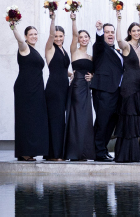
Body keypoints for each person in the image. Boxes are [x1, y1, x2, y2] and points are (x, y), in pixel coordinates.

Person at [9, 21, 47, 161]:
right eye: (31, 34)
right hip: (25, 89)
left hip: (36, 89)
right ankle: (24, 152)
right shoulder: (24, 47)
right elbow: (19, 40)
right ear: (25, 36)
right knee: (25, 119)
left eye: (35, 34)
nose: (34, 36)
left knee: (34, 119)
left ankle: (30, 150)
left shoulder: (35, 50)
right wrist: (14, 28)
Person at [112, 11, 140, 163]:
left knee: (135, 119)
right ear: (130, 32)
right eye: (134, 31)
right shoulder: (127, 46)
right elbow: (118, 39)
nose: (137, 33)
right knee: (128, 118)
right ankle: (124, 154)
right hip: (128, 87)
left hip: (139, 86)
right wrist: (118, 19)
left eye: (139, 30)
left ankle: (133, 154)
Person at [91, 19, 124, 162]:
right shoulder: (100, 47)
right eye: (107, 32)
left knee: (110, 123)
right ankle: (98, 152)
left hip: (116, 92)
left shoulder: (116, 50)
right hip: (103, 90)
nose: (110, 34)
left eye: (112, 32)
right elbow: (98, 43)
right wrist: (98, 31)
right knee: (102, 122)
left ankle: (103, 150)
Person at [64, 13, 96, 160]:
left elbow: (96, 72)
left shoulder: (91, 57)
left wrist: (93, 76)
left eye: (86, 37)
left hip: (87, 89)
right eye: (81, 37)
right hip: (77, 88)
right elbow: (73, 34)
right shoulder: (74, 51)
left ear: (89, 40)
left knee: (86, 119)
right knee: (76, 118)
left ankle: (84, 152)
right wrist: (74, 20)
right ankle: (74, 152)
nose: (83, 39)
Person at [43, 10, 69, 161]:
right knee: (55, 120)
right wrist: (53, 19)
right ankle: (53, 154)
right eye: (56, 36)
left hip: (64, 87)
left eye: (61, 36)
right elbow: (51, 36)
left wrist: (72, 74)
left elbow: (63, 69)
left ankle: (60, 152)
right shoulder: (50, 48)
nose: (58, 38)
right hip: (54, 89)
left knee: (61, 120)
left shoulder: (63, 50)